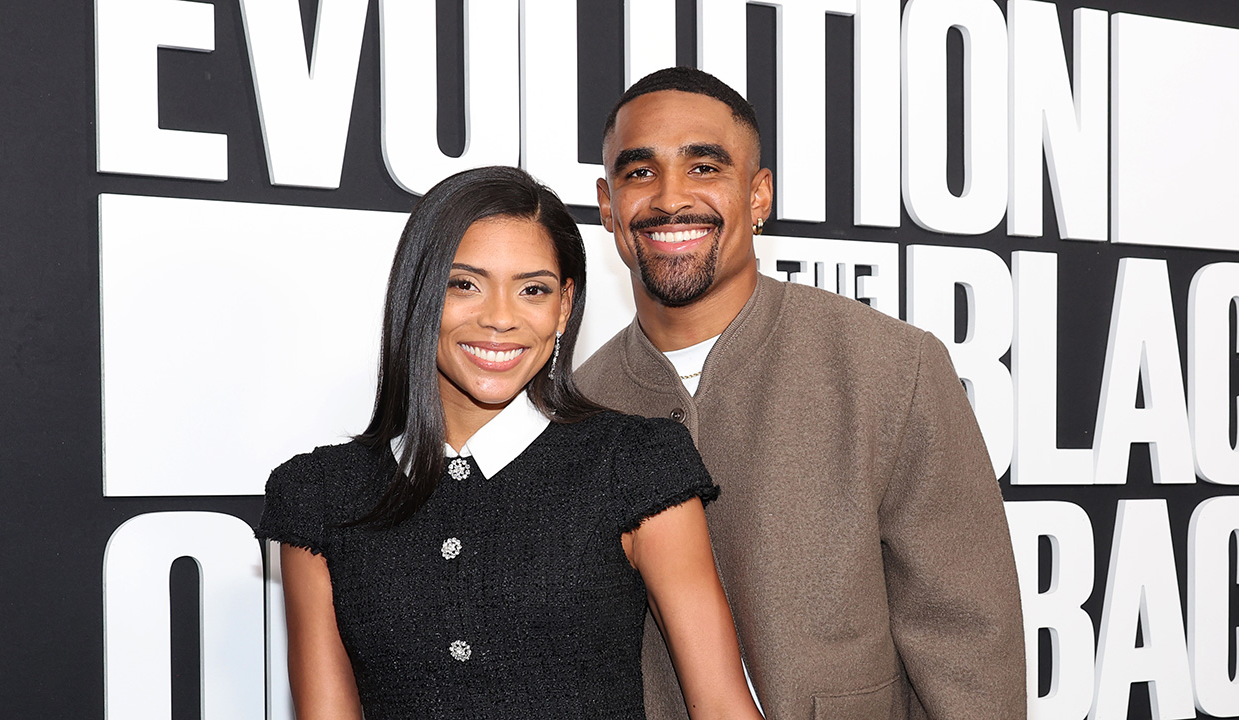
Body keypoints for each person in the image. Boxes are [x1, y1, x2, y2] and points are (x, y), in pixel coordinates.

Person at [577, 67, 1026, 719]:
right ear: (608, 203)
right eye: (639, 172)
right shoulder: (579, 408)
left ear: (759, 197)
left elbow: (970, 646)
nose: (670, 198)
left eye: (704, 167)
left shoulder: (891, 368)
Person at [255, 165, 763, 720]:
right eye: (465, 284)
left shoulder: (633, 466)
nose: (500, 318)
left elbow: (720, 705)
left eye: (533, 290)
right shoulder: (322, 495)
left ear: (564, 307)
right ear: (418, 295)